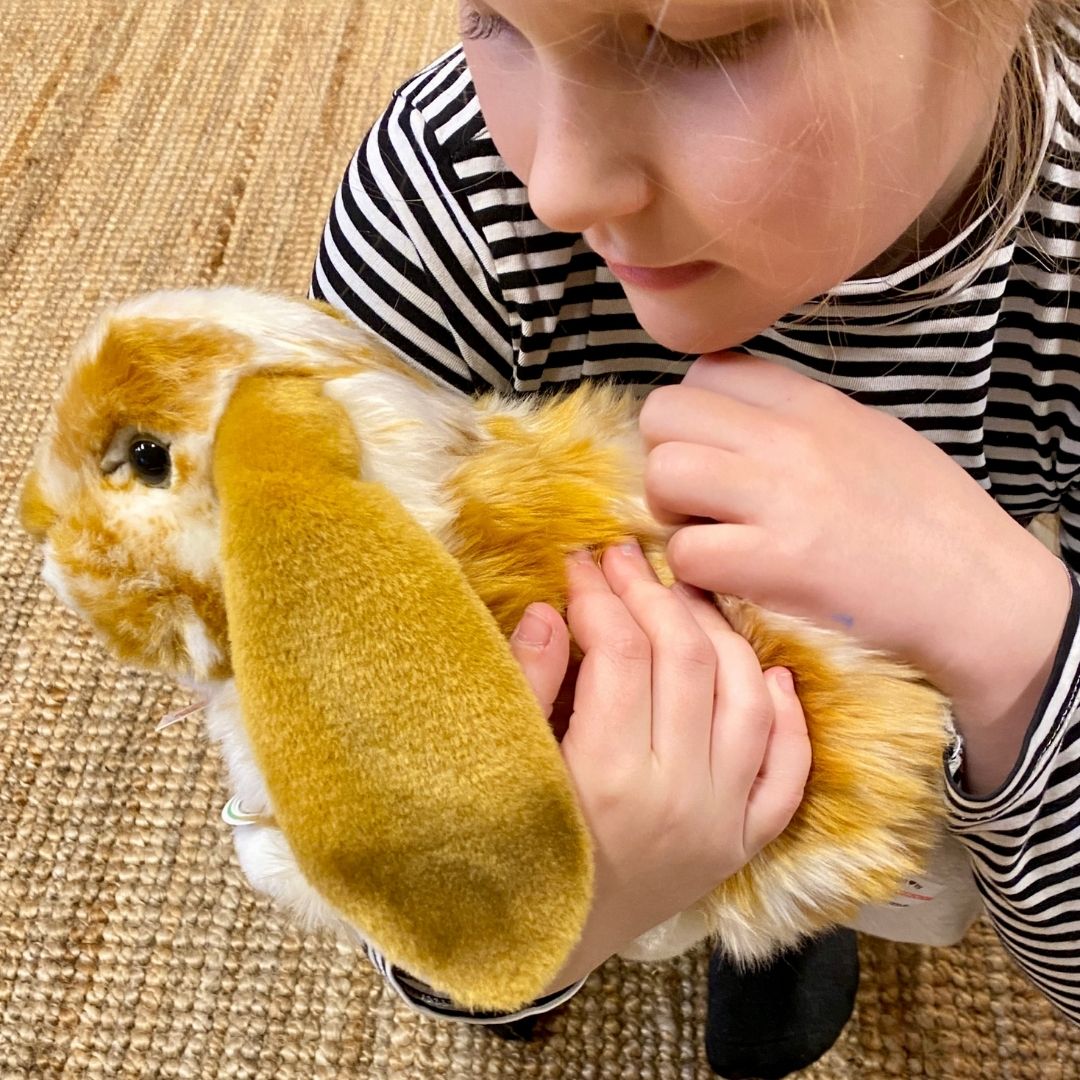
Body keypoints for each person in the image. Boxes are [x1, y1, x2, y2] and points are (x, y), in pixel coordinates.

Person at [309, 1, 1080, 1074]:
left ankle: (798, 933)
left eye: (702, 43)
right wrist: (531, 917)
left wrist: (1014, 638)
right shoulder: (442, 219)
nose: (560, 186)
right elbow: (331, 739)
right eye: (494, 19)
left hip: (899, 783)